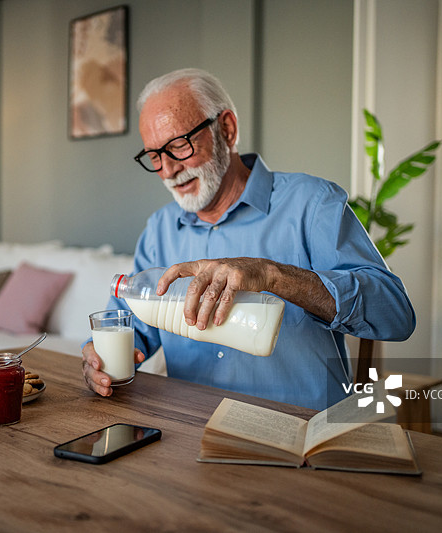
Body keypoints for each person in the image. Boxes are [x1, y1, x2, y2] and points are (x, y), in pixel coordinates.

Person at [81, 68, 415, 410]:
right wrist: (98, 358)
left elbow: (397, 315)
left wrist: (274, 276)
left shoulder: (312, 204)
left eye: (178, 146)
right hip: (190, 435)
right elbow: (130, 327)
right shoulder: (159, 229)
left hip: (300, 433)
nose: (167, 171)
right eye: (154, 155)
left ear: (226, 129)